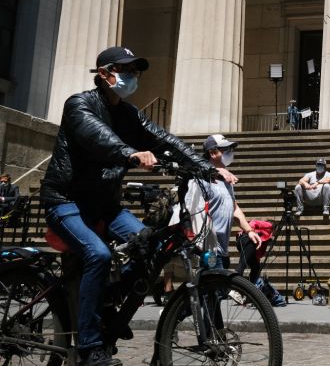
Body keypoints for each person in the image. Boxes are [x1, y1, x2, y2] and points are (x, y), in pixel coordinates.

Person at [39, 46, 223, 366]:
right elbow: (96, 137)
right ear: (103, 74)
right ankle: (90, 346)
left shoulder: (129, 114)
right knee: (98, 254)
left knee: (148, 244)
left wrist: (207, 168)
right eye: (125, 70)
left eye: (135, 71)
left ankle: (105, 301)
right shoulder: (79, 104)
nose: (131, 77)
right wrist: (130, 153)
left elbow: (165, 140)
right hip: (66, 202)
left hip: (105, 205)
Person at [163, 134, 262, 296]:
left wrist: (249, 230)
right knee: (215, 292)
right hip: (207, 248)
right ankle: (174, 314)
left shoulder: (227, 179)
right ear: (212, 153)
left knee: (212, 297)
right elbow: (192, 208)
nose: (230, 152)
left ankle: (175, 315)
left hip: (222, 249)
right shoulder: (201, 178)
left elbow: (234, 208)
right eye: (226, 149)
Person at [233, 219, 286, 307]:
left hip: (245, 241)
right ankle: (235, 290)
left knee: (256, 268)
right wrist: (250, 231)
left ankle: (249, 293)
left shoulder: (265, 236)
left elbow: (258, 253)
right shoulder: (268, 225)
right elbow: (253, 222)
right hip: (247, 239)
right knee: (242, 264)